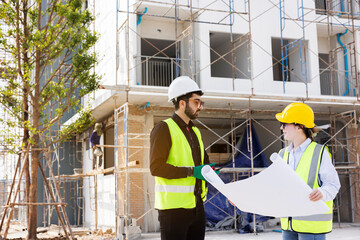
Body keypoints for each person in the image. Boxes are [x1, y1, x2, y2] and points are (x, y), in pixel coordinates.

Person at [150, 76, 216, 240]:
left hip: (197, 207)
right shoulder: (163, 129)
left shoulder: (195, 132)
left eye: (201, 103)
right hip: (173, 211)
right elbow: (156, 168)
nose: (200, 107)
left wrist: (210, 171)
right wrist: (192, 171)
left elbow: (203, 164)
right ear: (182, 103)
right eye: (196, 102)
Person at [276, 102, 341, 240]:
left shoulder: (319, 152)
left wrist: (322, 192)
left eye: (285, 123)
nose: (282, 128)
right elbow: (274, 187)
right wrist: (241, 198)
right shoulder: (282, 154)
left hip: (311, 227)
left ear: (300, 126)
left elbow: (333, 184)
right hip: (289, 224)